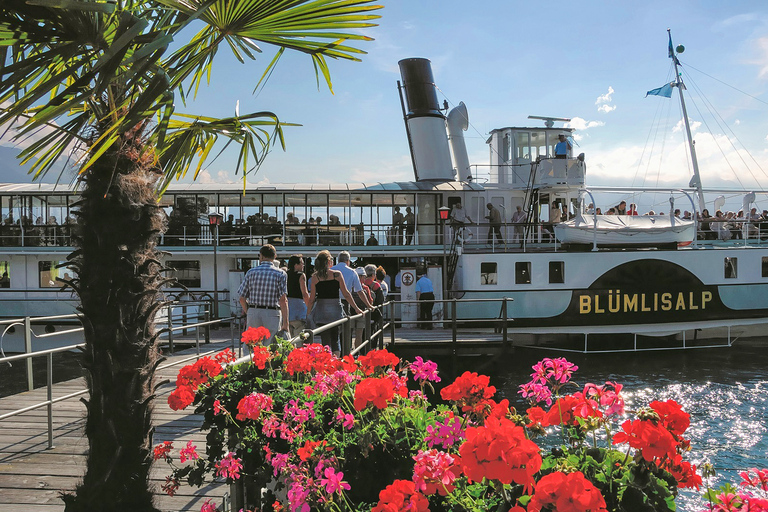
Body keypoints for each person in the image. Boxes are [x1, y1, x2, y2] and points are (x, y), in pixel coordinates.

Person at [307, 250, 361, 355]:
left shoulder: (315, 277)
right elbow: (346, 294)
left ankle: (327, 362)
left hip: (322, 311)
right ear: (328, 261)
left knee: (325, 339)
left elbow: (312, 299)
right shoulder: (337, 275)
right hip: (336, 310)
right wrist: (356, 308)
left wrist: (308, 314)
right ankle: (336, 361)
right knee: (335, 338)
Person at [237, 244, 289, 345]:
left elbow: (242, 298)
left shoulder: (251, 272)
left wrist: (249, 311)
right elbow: (283, 300)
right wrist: (285, 323)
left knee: (252, 344)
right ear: (274, 257)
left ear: (261, 256)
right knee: (271, 345)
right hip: (272, 313)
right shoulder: (281, 274)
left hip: (254, 311)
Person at [331, 251, 373, 316]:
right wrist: (369, 305)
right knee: (345, 323)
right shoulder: (352, 272)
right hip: (345, 302)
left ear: (338, 260)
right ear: (348, 261)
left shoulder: (331, 270)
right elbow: (360, 292)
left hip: (330, 301)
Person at [286, 255, 310, 338]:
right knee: (299, 336)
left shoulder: (285, 274)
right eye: (301, 264)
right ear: (296, 265)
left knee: (289, 338)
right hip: (298, 307)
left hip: (287, 307)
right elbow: (305, 294)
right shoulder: (301, 275)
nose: (303, 266)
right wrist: (309, 307)